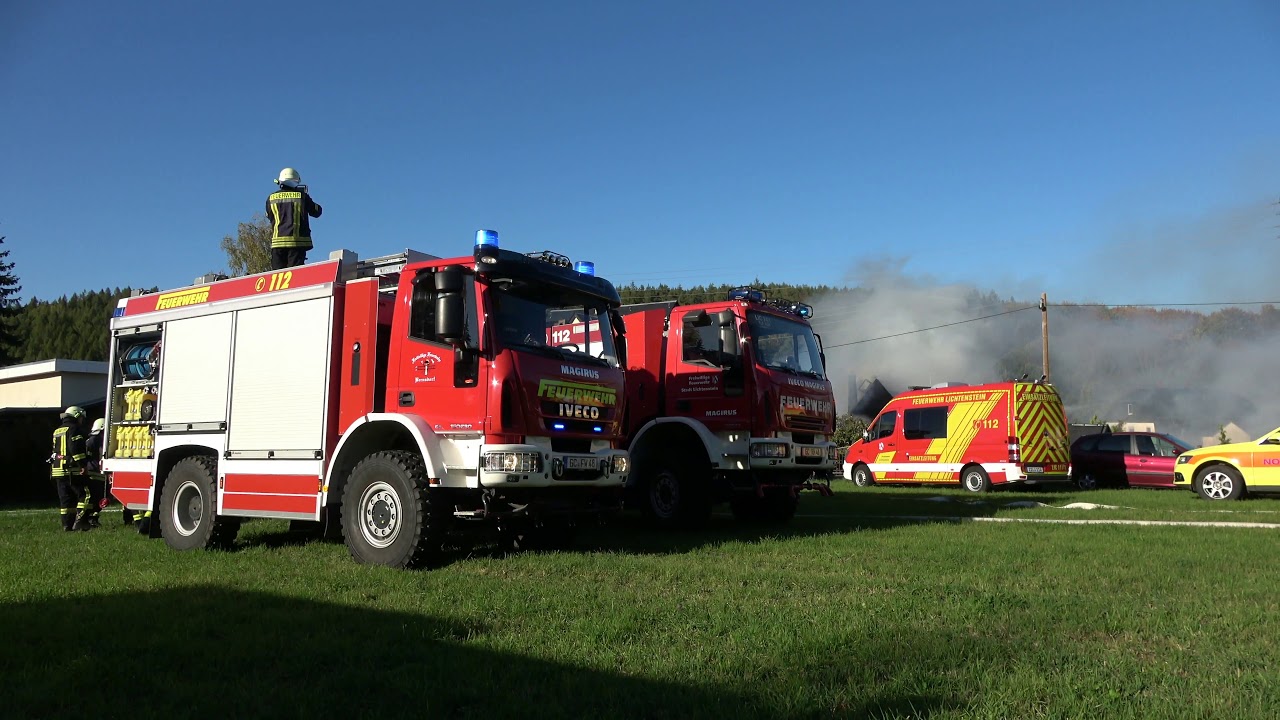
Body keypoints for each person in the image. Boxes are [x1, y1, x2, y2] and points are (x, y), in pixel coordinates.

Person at [266, 167, 323, 270]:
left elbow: (270, 216)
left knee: (277, 277)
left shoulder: (271, 198)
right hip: (297, 244)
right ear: (295, 181)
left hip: (277, 245)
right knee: (294, 276)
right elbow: (317, 211)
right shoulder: (302, 196)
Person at [50, 406, 89, 532]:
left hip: (57, 469)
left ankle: (67, 525)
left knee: (66, 499)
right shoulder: (74, 429)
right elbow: (75, 449)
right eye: (81, 418)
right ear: (77, 416)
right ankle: (80, 522)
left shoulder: (57, 430)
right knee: (84, 494)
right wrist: (82, 465)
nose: (82, 420)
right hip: (71, 469)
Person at [74, 418, 108, 530]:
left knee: (99, 497)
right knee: (96, 497)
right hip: (95, 472)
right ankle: (90, 519)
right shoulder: (96, 440)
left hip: (97, 471)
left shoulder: (92, 440)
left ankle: (92, 518)